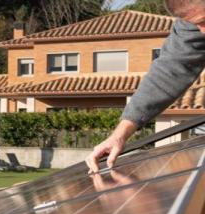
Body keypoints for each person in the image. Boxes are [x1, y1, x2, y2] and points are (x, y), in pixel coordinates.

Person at [86, 0, 205, 173]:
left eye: (203, 20)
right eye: (197, 24)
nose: (202, 31)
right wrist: (119, 135)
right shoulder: (193, 25)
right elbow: (170, 70)